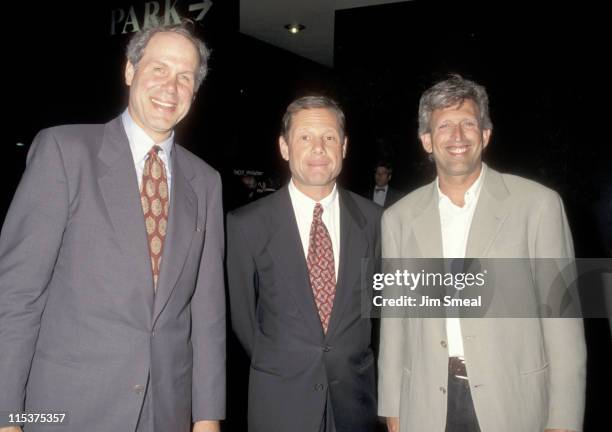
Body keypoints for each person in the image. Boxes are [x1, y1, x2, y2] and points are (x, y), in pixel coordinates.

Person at [0, 21, 225, 432]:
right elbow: (17, 296)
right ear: (129, 71)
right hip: (69, 410)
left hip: (166, 413)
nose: (170, 87)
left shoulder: (206, 182)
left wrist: (207, 416)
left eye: (185, 77)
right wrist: (7, 416)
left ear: (195, 91)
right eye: (159, 68)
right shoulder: (65, 153)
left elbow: (207, 314)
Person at [377, 74, 586, 432]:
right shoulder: (398, 218)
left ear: (485, 135)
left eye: (468, 123)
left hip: (514, 403)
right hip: (428, 404)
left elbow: (563, 323)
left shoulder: (538, 206)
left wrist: (564, 417)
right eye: (444, 126)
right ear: (426, 140)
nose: (457, 136)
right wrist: (392, 405)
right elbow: (395, 322)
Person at [227, 96, 381, 432]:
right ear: (284, 147)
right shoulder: (245, 224)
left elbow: (383, 313)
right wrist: (286, 360)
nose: (318, 149)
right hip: (280, 402)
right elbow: (242, 317)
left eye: (328, 137)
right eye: (305, 137)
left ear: (344, 146)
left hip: (355, 404)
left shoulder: (377, 221)